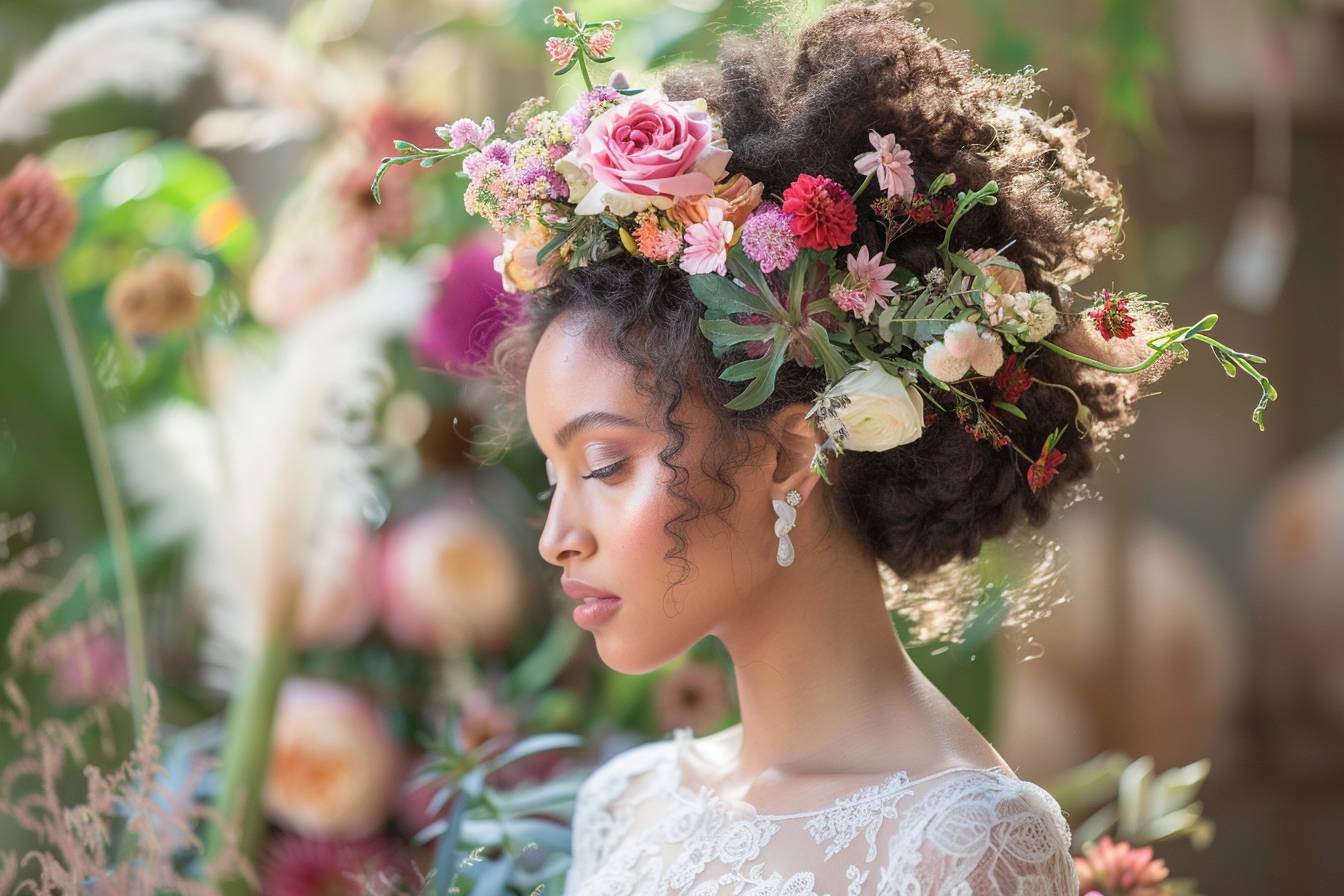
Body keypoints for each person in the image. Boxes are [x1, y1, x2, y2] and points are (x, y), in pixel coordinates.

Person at [381, 1, 1274, 891]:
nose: (556, 537)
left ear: (790, 454)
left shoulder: (961, 842)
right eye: (554, 475)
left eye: (606, 466)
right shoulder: (627, 803)